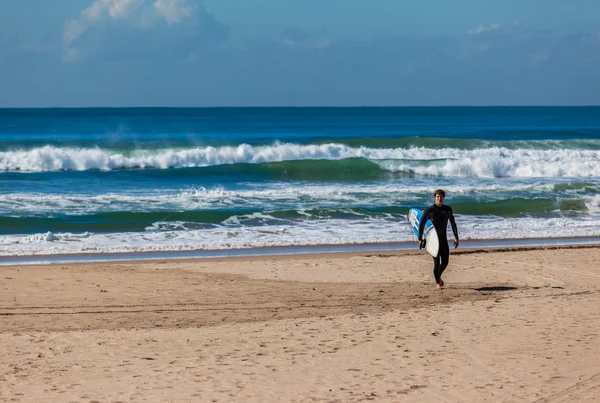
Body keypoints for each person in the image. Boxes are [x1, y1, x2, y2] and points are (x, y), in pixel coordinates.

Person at [417, 189, 459, 289]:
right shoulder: (429, 210)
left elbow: (453, 223)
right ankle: (437, 283)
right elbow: (421, 224)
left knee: (445, 262)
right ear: (435, 198)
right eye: (437, 197)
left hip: (443, 239)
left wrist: (456, 237)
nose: (439, 199)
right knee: (436, 262)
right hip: (433, 240)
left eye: (441, 197)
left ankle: (438, 277)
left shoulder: (447, 209)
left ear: (443, 198)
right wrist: (420, 238)